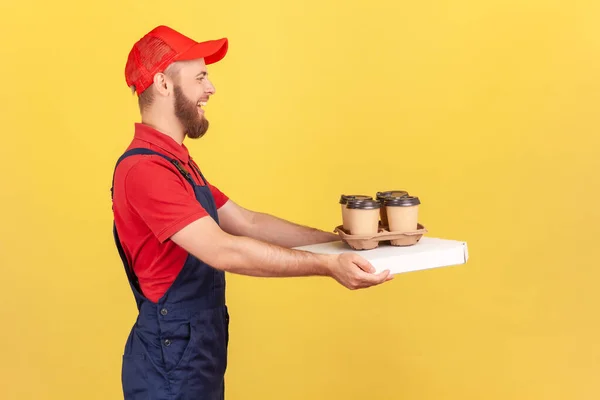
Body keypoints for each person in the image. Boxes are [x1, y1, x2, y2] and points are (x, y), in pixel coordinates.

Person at [110, 25, 393, 400]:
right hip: (169, 360)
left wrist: (346, 243)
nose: (210, 89)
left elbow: (248, 222)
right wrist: (327, 266)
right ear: (163, 83)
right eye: (200, 77)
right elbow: (224, 249)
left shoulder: (177, 165)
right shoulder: (146, 171)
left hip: (191, 354)